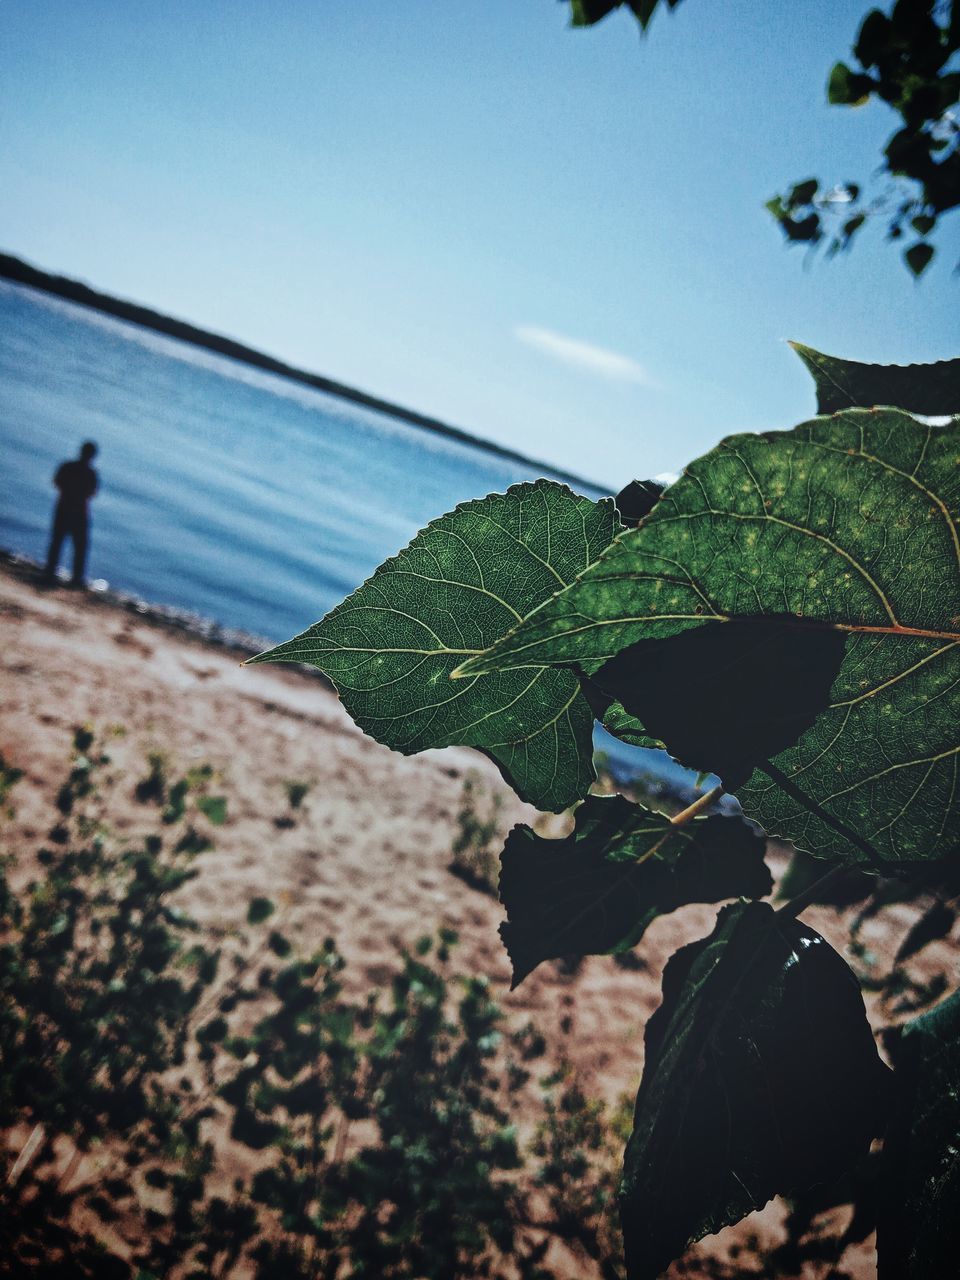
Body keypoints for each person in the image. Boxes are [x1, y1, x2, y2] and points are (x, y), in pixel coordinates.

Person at [45, 441, 99, 587]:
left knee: (57, 543)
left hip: (63, 508)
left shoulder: (68, 466)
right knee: (80, 548)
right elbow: (92, 493)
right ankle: (76, 579)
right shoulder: (91, 473)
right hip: (80, 513)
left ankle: (50, 573)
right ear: (92, 456)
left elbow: (56, 482)